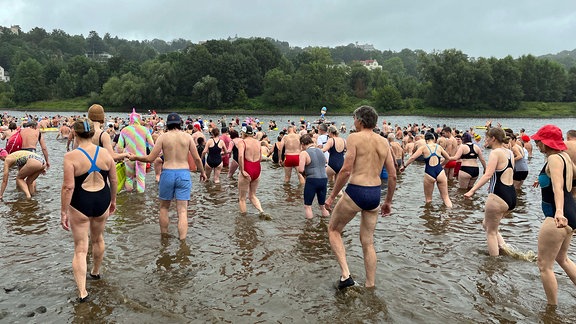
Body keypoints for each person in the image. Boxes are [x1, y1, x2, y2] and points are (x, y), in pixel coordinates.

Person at [325, 105, 396, 289]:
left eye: (354, 118)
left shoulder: (354, 137)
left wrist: (332, 196)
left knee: (333, 230)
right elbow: (393, 174)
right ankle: (370, 285)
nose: (353, 122)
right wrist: (388, 201)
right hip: (374, 194)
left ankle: (345, 275)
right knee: (368, 242)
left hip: (356, 190)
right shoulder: (384, 142)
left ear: (360, 120)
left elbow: (346, 170)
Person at [60, 118, 117, 302]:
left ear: (75, 133)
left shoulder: (70, 157)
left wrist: (63, 211)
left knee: (80, 249)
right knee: (98, 238)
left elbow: (68, 187)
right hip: (102, 200)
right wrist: (113, 200)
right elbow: (114, 180)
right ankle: (96, 272)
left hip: (80, 203)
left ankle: (83, 292)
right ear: (92, 134)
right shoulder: (106, 154)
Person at [129, 113, 206, 240]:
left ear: (167, 124)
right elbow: (197, 158)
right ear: (180, 124)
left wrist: (135, 157)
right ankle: (182, 241)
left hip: (168, 173)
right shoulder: (187, 137)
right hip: (183, 173)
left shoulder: (163, 137)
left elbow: (150, 158)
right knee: (182, 211)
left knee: (164, 208)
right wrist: (202, 172)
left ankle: (164, 238)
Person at [531, 125, 576, 306]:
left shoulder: (554, 159)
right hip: (571, 213)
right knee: (562, 259)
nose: (536, 144)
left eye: (538, 141)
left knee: (544, 265)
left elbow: (557, 186)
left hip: (558, 217)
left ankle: (552, 309)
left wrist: (558, 212)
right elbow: (572, 179)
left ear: (546, 142)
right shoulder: (564, 156)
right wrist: (542, 181)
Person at [464, 127, 516, 256]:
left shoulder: (495, 152)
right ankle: (505, 250)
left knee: (490, 232)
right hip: (511, 196)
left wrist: (472, 191)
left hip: (498, 196)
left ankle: (493, 264)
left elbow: (488, 175)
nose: (485, 140)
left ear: (493, 138)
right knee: (487, 224)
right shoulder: (509, 152)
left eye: (487, 137)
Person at [401, 132, 453, 208]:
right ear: (434, 139)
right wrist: (441, 165)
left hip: (429, 172)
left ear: (426, 140)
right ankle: (448, 215)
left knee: (428, 199)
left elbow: (412, 158)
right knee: (446, 198)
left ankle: (429, 217)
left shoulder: (423, 148)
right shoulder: (438, 147)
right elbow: (448, 158)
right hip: (440, 172)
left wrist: (404, 166)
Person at [116, 109, 154, 192]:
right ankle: (140, 198)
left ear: (130, 120)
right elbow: (151, 145)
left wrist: (120, 156)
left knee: (129, 178)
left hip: (129, 157)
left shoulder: (124, 130)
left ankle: (129, 196)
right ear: (139, 119)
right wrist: (152, 156)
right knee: (141, 179)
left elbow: (119, 147)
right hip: (141, 158)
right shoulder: (145, 130)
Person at [298, 134, 330, 219]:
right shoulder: (320, 150)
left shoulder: (304, 153)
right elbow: (326, 162)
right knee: (322, 206)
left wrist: (305, 175)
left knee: (308, 206)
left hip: (312, 180)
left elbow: (300, 169)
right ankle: (326, 222)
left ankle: (309, 227)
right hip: (324, 179)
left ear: (302, 144)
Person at [237, 125, 266, 215]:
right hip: (257, 168)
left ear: (244, 133)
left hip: (247, 167)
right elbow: (260, 157)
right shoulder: (258, 142)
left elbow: (241, 156)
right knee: (252, 195)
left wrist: (242, 170)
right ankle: (261, 211)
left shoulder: (242, 142)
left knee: (242, 198)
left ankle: (244, 220)